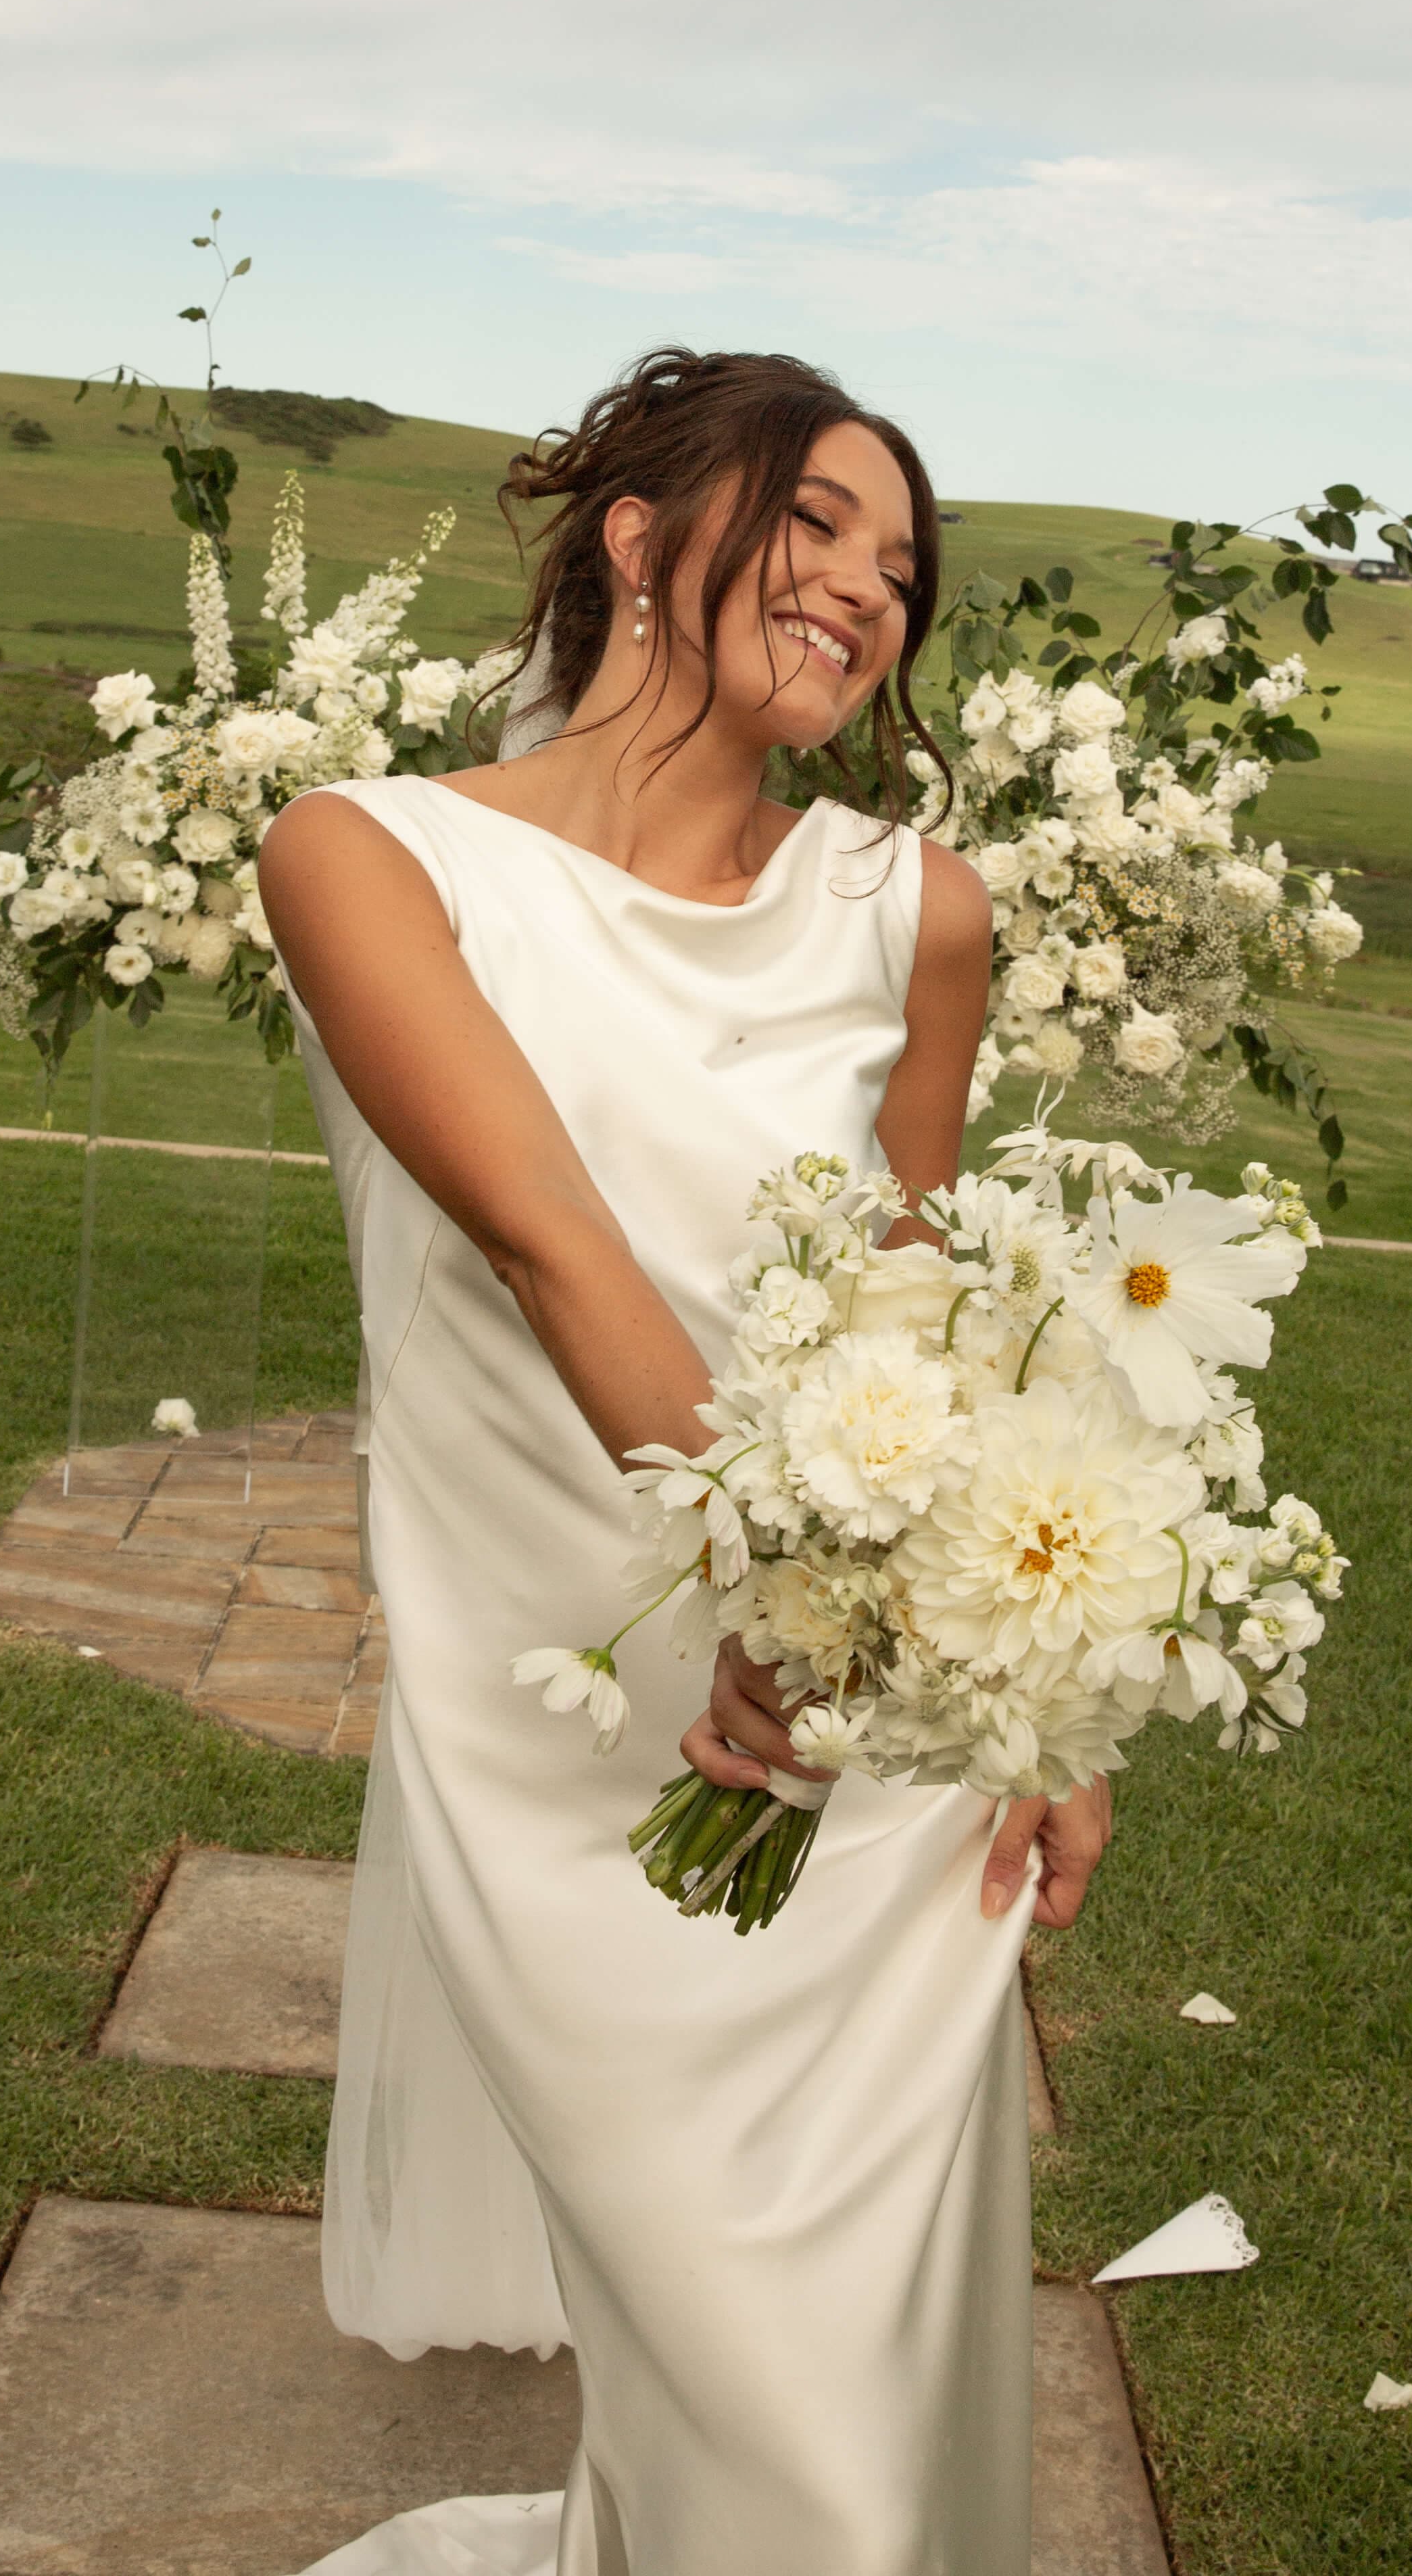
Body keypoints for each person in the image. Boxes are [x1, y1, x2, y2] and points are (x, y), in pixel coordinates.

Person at [258, 345, 1113, 2576]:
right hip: (580, 1729)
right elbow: (552, 1245)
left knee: (866, 2388)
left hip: (875, 1741)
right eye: (813, 521)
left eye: (901, 567)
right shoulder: (367, 860)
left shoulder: (916, 911)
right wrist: (770, 1609)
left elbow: (933, 1306)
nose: (862, 588)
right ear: (641, 540)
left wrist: (1034, 1699)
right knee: (722, 2338)